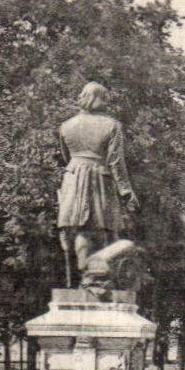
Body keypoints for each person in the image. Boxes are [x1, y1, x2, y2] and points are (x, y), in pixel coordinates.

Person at [57, 81, 141, 285]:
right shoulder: (111, 125)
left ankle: (85, 272)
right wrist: (126, 191)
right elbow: (116, 161)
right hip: (99, 177)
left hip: (73, 177)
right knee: (102, 229)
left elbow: (66, 156)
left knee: (80, 228)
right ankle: (97, 276)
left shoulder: (66, 126)